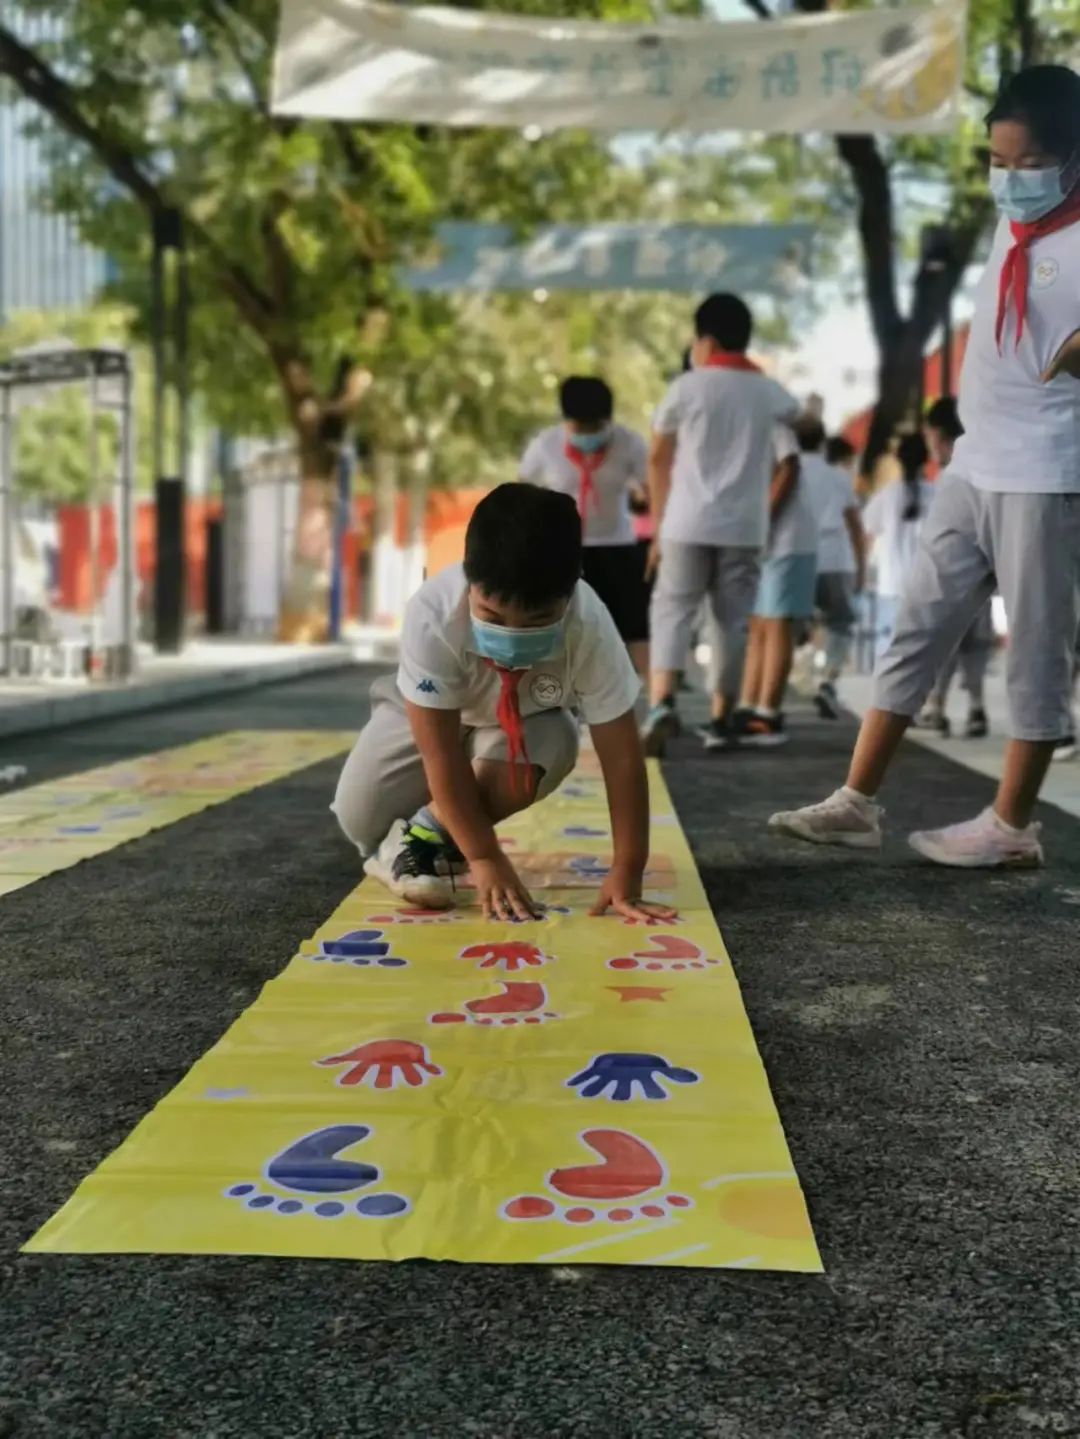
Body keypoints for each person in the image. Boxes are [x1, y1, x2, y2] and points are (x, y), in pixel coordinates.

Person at [770, 65, 1080, 869]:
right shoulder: (1016, 229)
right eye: (998, 162)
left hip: (1047, 472)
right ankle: (856, 801)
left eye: (1026, 165)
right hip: (974, 463)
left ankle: (1011, 826)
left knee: (1038, 651)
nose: (1009, 181)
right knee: (916, 627)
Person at [332, 483, 676, 922]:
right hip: (429, 716)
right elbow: (440, 755)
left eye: (538, 621)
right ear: (469, 580)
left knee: (556, 740)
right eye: (492, 617)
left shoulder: (590, 626)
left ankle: (422, 836)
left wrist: (628, 868)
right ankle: (409, 840)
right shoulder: (434, 612)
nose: (512, 635)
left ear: (571, 592)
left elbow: (623, 757)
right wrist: (485, 860)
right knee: (359, 820)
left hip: (521, 725)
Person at [641, 292, 800, 754]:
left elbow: (657, 455)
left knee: (672, 608)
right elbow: (796, 417)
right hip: (744, 527)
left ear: (704, 340)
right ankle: (719, 715)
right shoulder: (769, 391)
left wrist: (657, 521)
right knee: (730, 622)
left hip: (685, 521)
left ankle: (662, 703)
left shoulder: (686, 388)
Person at [520, 377, 651, 675]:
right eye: (580, 427)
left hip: (617, 546)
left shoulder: (629, 443)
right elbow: (523, 488)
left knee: (635, 625)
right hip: (563, 548)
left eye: (595, 427)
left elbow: (651, 488)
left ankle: (656, 702)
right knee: (557, 624)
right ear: (566, 421)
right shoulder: (546, 445)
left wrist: (644, 501)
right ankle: (550, 690)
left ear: (607, 420)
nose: (588, 436)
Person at [918, 397, 996, 739]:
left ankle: (936, 706)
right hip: (985, 574)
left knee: (946, 639)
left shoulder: (952, 476)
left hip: (953, 574)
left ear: (938, 435)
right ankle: (976, 708)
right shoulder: (986, 466)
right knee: (976, 644)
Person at [733, 427, 808, 746]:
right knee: (758, 625)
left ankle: (768, 714)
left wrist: (762, 519)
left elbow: (790, 465)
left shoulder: (773, 422)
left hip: (788, 542)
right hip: (759, 544)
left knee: (778, 624)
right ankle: (748, 707)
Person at [799, 421, 866, 719]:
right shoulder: (838, 477)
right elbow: (855, 525)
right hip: (835, 561)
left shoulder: (787, 470)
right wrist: (861, 567)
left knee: (786, 627)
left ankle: (785, 683)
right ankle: (827, 678)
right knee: (841, 621)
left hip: (796, 557)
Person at [862, 431, 936, 662]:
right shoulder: (937, 494)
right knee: (920, 651)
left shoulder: (887, 495)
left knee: (890, 650)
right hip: (926, 583)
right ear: (926, 459)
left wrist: (863, 571)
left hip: (892, 583)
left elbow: (868, 532)